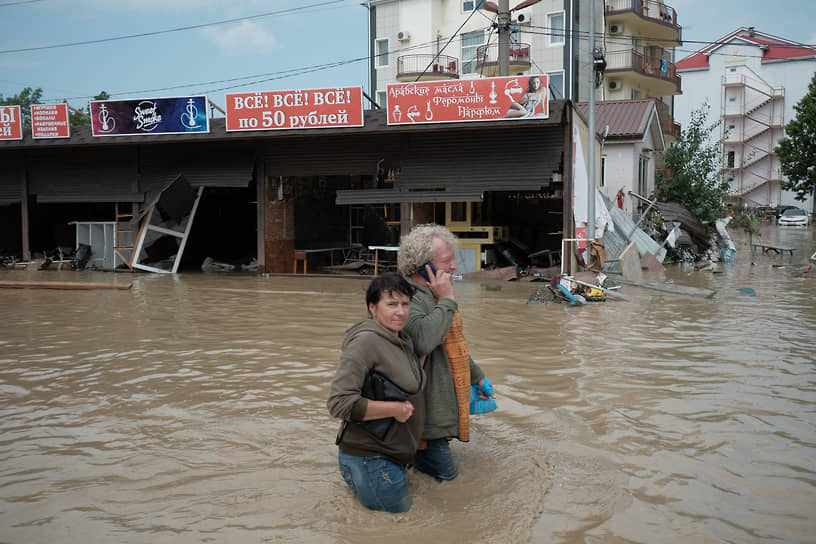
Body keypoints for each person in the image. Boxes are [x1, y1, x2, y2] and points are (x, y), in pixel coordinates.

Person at [397, 224, 494, 482]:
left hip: (435, 412)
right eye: (447, 261)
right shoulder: (406, 298)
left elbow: (452, 343)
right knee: (451, 485)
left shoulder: (433, 294)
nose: (454, 266)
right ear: (422, 266)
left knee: (427, 476)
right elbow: (424, 340)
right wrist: (448, 299)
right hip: (424, 418)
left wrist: (477, 376)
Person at [327, 272, 426, 513]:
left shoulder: (401, 340)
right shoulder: (365, 342)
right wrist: (395, 409)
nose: (400, 312)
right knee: (401, 529)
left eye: (405, 304)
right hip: (370, 460)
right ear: (373, 307)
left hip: (391, 456)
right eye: (391, 304)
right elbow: (338, 403)